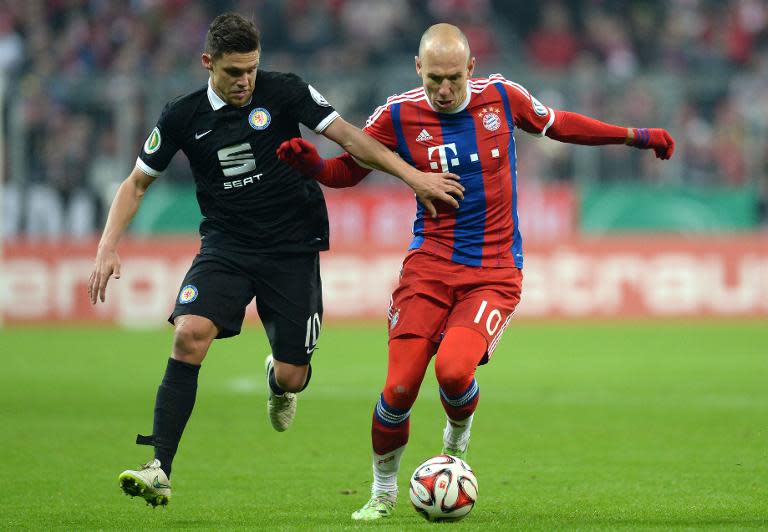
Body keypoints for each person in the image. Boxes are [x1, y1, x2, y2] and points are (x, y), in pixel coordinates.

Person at [276, 23, 675, 521]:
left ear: (471, 69)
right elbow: (346, 172)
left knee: (453, 371)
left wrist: (635, 136)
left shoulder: (503, 98)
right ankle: (381, 492)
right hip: (427, 268)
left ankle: (457, 434)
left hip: (494, 272)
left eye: (453, 79)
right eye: (434, 79)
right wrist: (314, 165)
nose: (443, 91)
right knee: (398, 390)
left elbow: (563, 124)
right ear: (418, 69)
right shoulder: (397, 115)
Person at [86, 13, 463, 508]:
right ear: (208, 63)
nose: (245, 81)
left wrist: (413, 177)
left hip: (292, 245)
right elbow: (137, 182)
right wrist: (107, 245)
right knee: (188, 334)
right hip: (227, 246)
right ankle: (159, 467)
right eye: (233, 72)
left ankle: (278, 382)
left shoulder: (284, 90)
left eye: (251, 69)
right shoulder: (181, 115)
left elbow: (348, 138)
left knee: (292, 375)